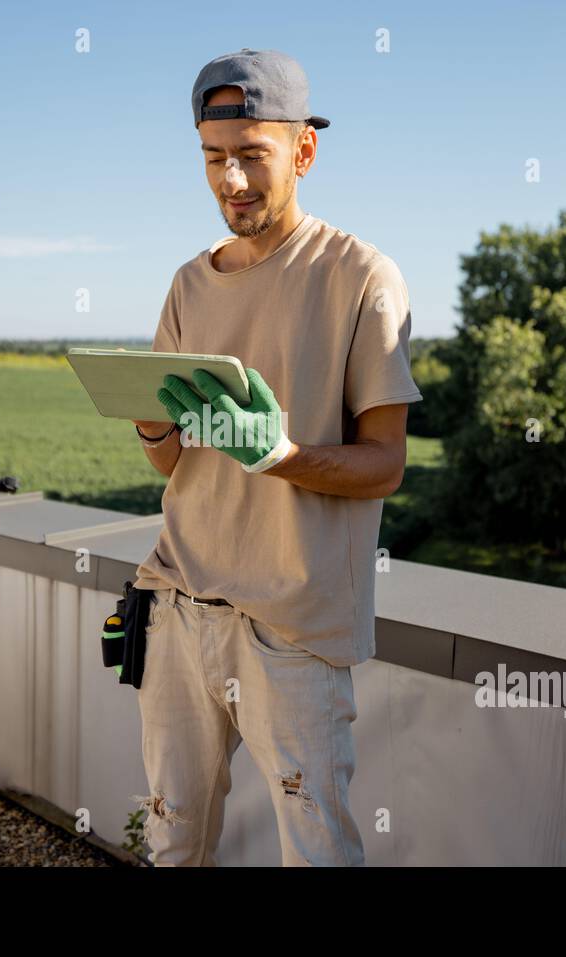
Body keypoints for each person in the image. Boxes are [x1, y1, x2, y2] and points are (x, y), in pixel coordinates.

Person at [129, 48, 423, 866]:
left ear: (304, 151)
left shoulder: (362, 277)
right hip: (179, 607)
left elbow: (386, 465)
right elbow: (170, 470)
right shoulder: (189, 285)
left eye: (252, 156)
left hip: (293, 632)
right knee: (172, 840)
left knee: (315, 850)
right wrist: (155, 428)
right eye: (213, 159)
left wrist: (284, 454)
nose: (231, 182)